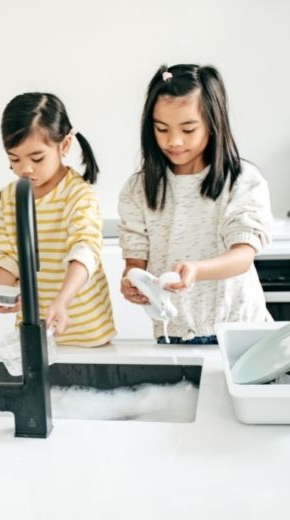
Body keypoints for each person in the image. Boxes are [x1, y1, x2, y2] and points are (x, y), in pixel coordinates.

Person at [118, 64, 273, 344]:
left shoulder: (241, 181)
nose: (174, 141)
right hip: (173, 333)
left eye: (188, 129)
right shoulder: (137, 189)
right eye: (162, 129)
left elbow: (243, 256)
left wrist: (197, 270)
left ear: (213, 124)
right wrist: (131, 282)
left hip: (240, 331)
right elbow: (134, 262)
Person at [0, 92, 116, 346]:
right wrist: (3, 291)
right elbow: (6, 252)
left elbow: (85, 251)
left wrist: (62, 301)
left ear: (65, 145)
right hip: (32, 333)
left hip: (86, 333)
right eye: (14, 159)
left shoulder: (78, 195)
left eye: (37, 158)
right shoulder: (12, 196)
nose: (25, 168)